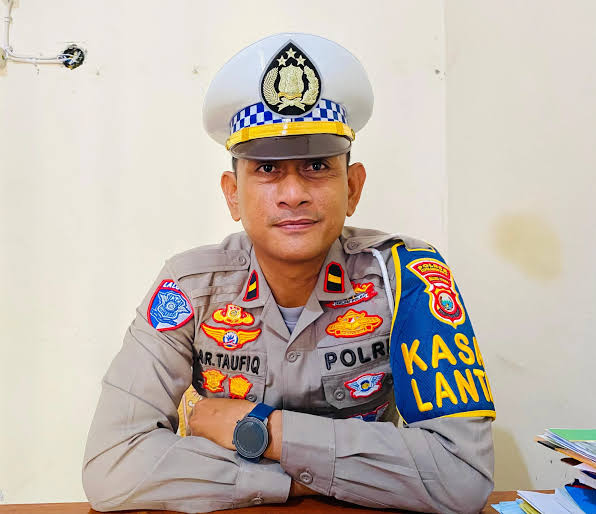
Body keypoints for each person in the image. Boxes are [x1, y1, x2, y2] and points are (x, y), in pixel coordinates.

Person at [82, 33, 495, 514]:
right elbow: (112, 466)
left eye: (317, 165)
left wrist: (260, 431)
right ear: (232, 194)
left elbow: (462, 475)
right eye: (267, 169)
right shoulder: (190, 286)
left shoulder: (407, 276)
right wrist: (304, 477)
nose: (293, 193)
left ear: (353, 187)